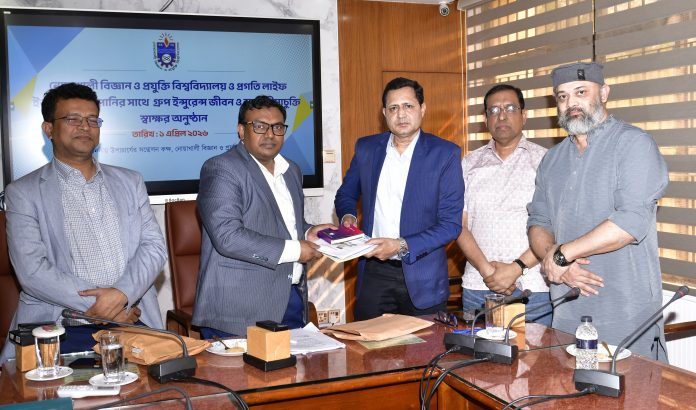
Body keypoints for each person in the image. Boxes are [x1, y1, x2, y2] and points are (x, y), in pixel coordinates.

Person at [0, 83, 166, 364]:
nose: (85, 126)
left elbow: (154, 248)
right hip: (60, 330)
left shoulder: (131, 181)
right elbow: (32, 270)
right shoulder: (23, 192)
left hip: (132, 321)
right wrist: (105, 307)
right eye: (72, 119)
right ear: (49, 129)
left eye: (92, 119)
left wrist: (123, 294)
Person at [527, 62, 669, 359]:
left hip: (626, 316)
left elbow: (629, 223)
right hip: (566, 311)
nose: (571, 103)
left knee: (630, 388)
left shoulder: (634, 144)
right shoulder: (552, 160)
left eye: (581, 92)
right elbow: (539, 222)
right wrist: (555, 260)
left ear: (604, 93)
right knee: (565, 388)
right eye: (562, 96)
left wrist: (563, 254)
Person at [193, 95, 334, 339]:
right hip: (239, 309)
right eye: (259, 126)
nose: (270, 134)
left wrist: (309, 231)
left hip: (290, 299)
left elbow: (286, 224)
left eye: (277, 127)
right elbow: (228, 237)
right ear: (241, 130)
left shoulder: (291, 170)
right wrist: (296, 250)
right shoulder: (222, 168)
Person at [335, 77, 464, 321]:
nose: (401, 114)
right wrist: (348, 216)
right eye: (393, 108)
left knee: (426, 345)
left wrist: (401, 245)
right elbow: (346, 194)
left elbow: (450, 225)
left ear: (422, 109)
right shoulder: (366, 148)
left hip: (423, 275)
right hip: (374, 272)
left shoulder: (445, 154)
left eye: (408, 106)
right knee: (369, 343)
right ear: (384, 113)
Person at [457, 84, 551, 326]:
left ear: (524, 115)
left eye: (510, 108)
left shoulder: (546, 161)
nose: (501, 116)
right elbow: (459, 225)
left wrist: (516, 269)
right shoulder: (469, 163)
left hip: (533, 288)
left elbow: (555, 225)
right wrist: (488, 272)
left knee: (535, 352)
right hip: (479, 286)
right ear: (485, 119)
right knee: (477, 351)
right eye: (494, 110)